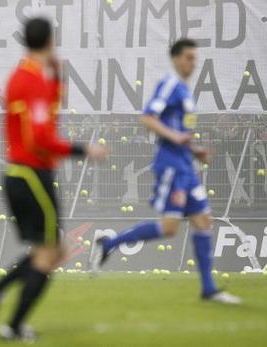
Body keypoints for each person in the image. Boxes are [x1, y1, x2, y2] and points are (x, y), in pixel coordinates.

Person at [0, 17, 107, 342]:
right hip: (32, 174)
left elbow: (47, 110)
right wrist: (83, 149)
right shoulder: (31, 81)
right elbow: (39, 139)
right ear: (50, 41)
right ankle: (14, 326)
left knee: (49, 251)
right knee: (52, 254)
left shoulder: (25, 78)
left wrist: (58, 75)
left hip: (19, 174)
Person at [90, 38, 241, 305]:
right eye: (188, 58)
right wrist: (175, 137)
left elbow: (179, 133)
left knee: (204, 221)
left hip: (186, 166)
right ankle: (108, 244)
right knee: (170, 227)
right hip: (171, 167)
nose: (193, 63)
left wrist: (194, 150)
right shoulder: (170, 85)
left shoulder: (184, 90)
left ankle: (209, 289)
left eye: (195, 58)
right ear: (175, 59)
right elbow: (148, 118)